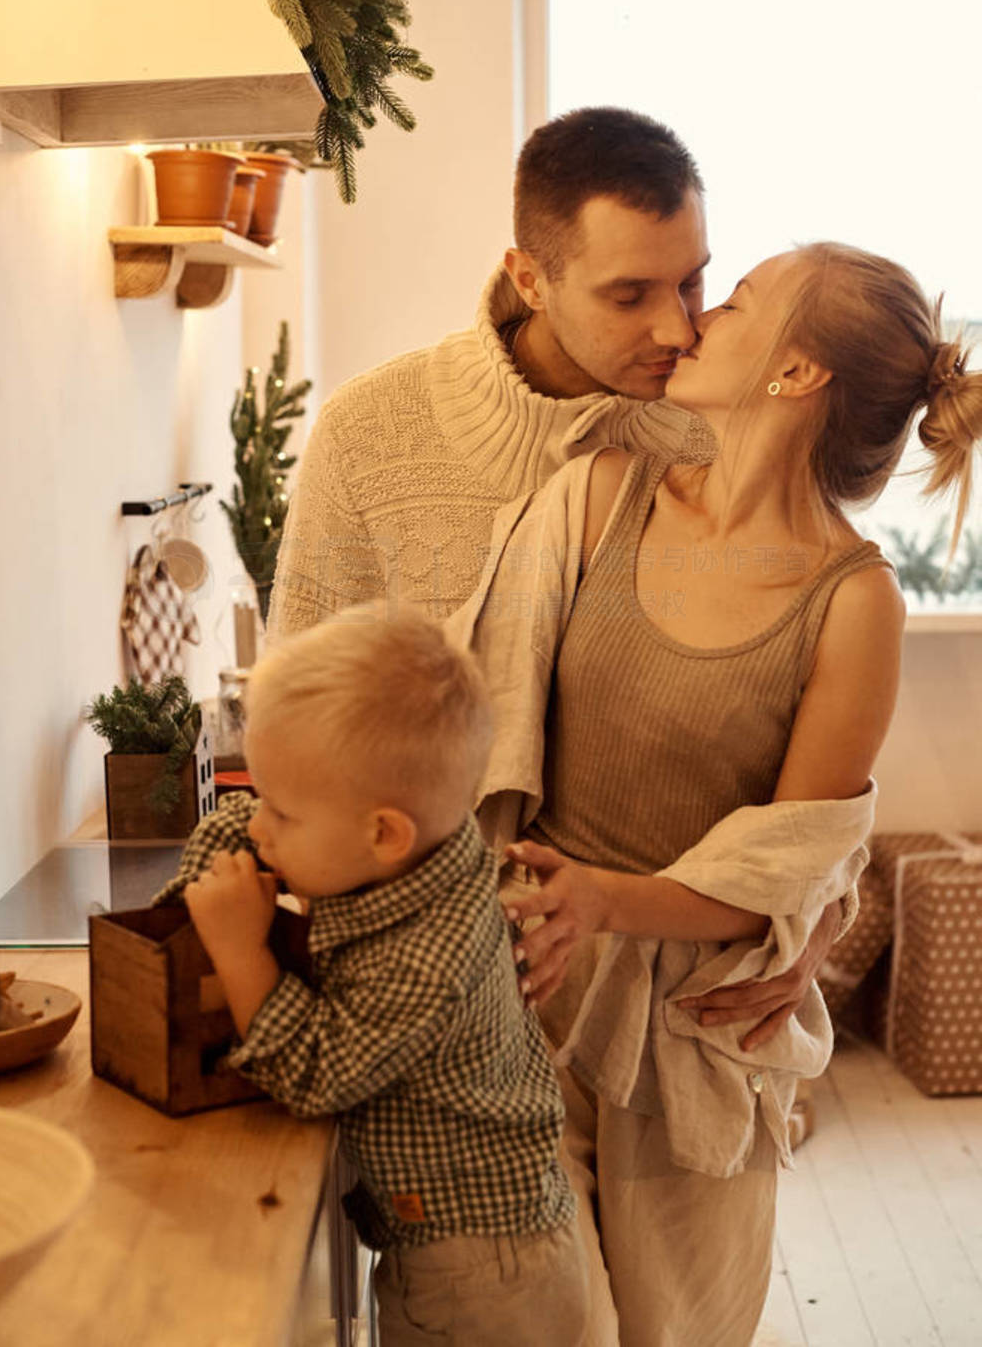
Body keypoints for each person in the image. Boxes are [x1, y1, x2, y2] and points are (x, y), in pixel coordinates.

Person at [448, 240, 982, 1345]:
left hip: (695, 1033)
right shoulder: (597, 493)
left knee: (671, 1329)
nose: (693, 321)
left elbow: (776, 869)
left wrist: (608, 897)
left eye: (730, 304)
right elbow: (478, 716)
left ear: (794, 376)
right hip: (519, 984)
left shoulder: (852, 601)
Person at [267, 105, 841, 1054]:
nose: (677, 326)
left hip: (680, 1012)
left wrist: (818, 912)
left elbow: (812, 695)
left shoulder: (712, 431)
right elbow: (297, 720)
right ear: (529, 277)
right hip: (437, 1015)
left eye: (694, 280)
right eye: (629, 295)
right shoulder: (371, 433)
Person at [154, 608, 589, 1347]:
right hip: (470, 1247)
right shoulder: (419, 853)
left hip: (481, 1279)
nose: (258, 828)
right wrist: (224, 872)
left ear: (383, 833)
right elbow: (236, 821)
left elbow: (315, 1071)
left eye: (282, 813)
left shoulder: (427, 959)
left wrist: (240, 952)